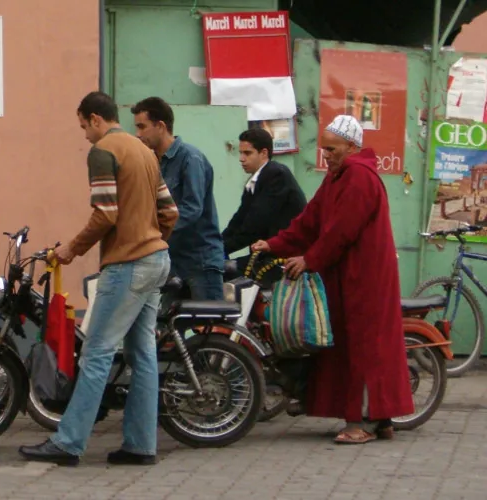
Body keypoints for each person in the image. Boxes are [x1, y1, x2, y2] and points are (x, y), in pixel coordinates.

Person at [19, 91, 178, 466]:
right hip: (157, 260)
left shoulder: (104, 151)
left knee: (95, 354)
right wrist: (151, 240)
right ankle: (140, 446)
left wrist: (71, 249)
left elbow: (105, 214)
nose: (85, 137)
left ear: (94, 119)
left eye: (83, 127)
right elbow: (169, 211)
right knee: (143, 355)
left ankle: (68, 442)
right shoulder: (144, 152)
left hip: (128, 265)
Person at [252, 115, 414, 444]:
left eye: (333, 148)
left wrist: (309, 259)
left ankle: (363, 424)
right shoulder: (338, 176)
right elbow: (310, 221)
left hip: (365, 279)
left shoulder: (359, 177)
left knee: (364, 348)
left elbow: (341, 231)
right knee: (353, 346)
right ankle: (379, 421)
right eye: (324, 148)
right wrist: (275, 243)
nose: (326, 154)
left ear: (352, 147)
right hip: (347, 277)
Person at [130, 96, 224, 300]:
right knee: (167, 327)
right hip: (172, 262)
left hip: (200, 263)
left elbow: (192, 208)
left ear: (160, 126)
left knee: (209, 328)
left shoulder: (190, 158)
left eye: (142, 127)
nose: (138, 134)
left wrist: (155, 233)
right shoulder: (155, 162)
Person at [223, 128, 306, 273]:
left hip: (285, 258)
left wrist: (220, 248)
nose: (241, 158)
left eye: (247, 153)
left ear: (264, 153)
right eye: (241, 153)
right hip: (266, 254)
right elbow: (239, 220)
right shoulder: (256, 180)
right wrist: (217, 245)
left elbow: (255, 224)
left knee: (225, 270)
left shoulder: (276, 175)